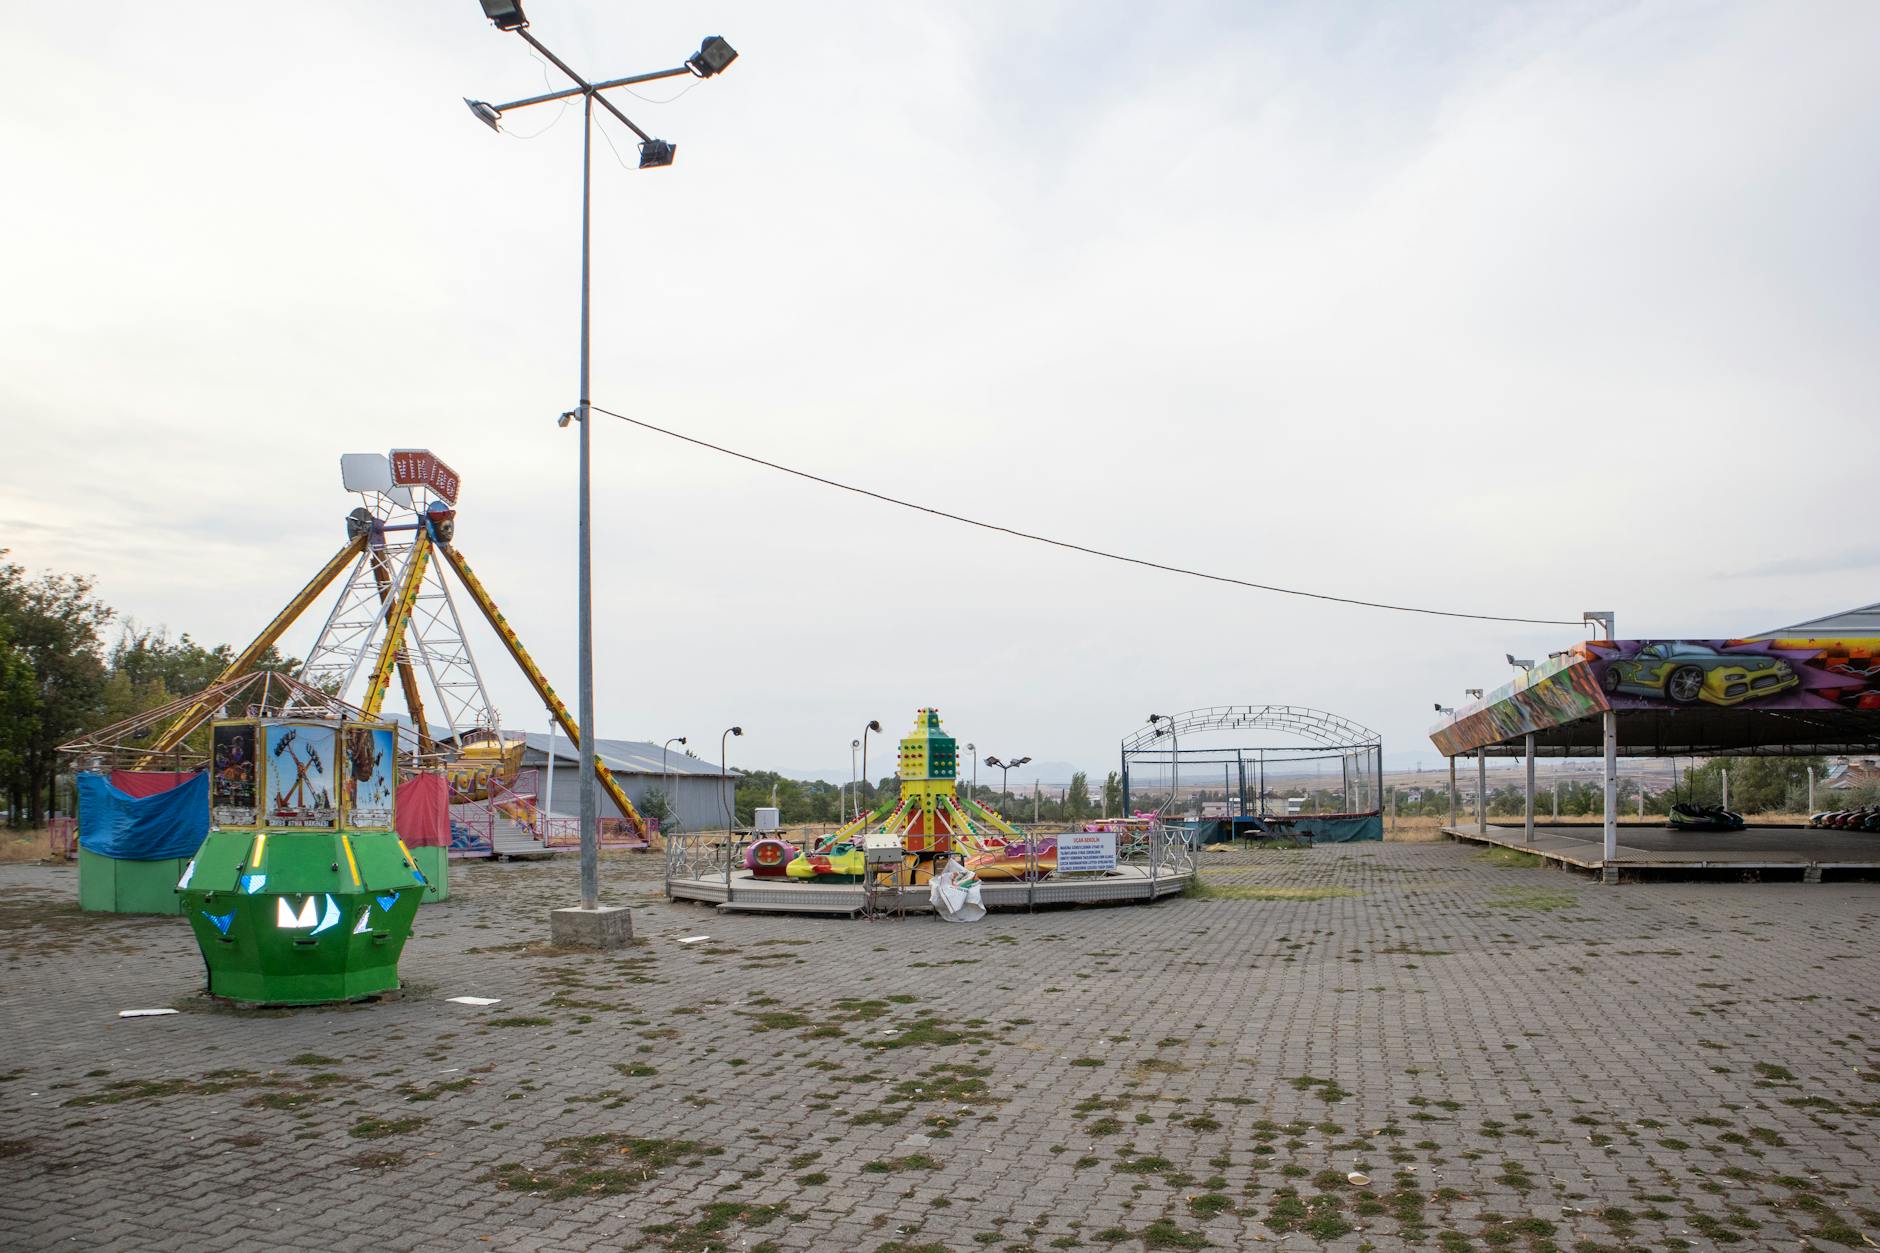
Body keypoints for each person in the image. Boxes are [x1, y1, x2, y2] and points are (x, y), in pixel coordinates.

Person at [928, 852, 985, 924]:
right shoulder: (946, 874)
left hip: (959, 880)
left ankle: (961, 913)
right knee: (949, 889)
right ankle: (959, 912)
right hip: (950, 881)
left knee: (968, 890)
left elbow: (965, 874)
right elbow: (943, 878)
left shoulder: (960, 872)